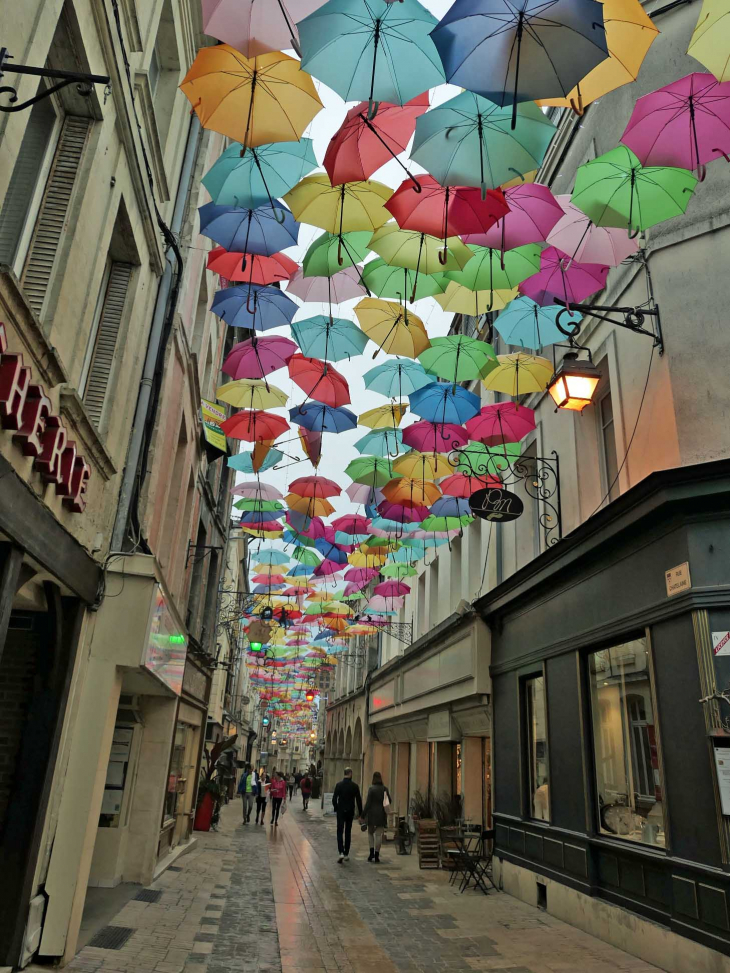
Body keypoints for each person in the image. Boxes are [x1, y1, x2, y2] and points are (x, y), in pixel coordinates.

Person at [332, 767, 363, 864]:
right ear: (350, 774)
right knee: (348, 831)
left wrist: (336, 808)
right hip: (350, 811)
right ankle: (346, 853)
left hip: (341, 811)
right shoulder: (354, 786)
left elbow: (334, 799)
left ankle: (340, 851)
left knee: (339, 831)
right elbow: (358, 801)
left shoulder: (339, 785)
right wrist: (360, 814)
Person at [361, 771, 391, 863]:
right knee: (378, 835)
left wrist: (363, 815)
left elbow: (368, 803)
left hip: (372, 815)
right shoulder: (385, 789)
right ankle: (377, 854)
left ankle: (371, 853)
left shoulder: (371, 789)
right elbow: (389, 800)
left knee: (370, 834)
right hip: (381, 814)